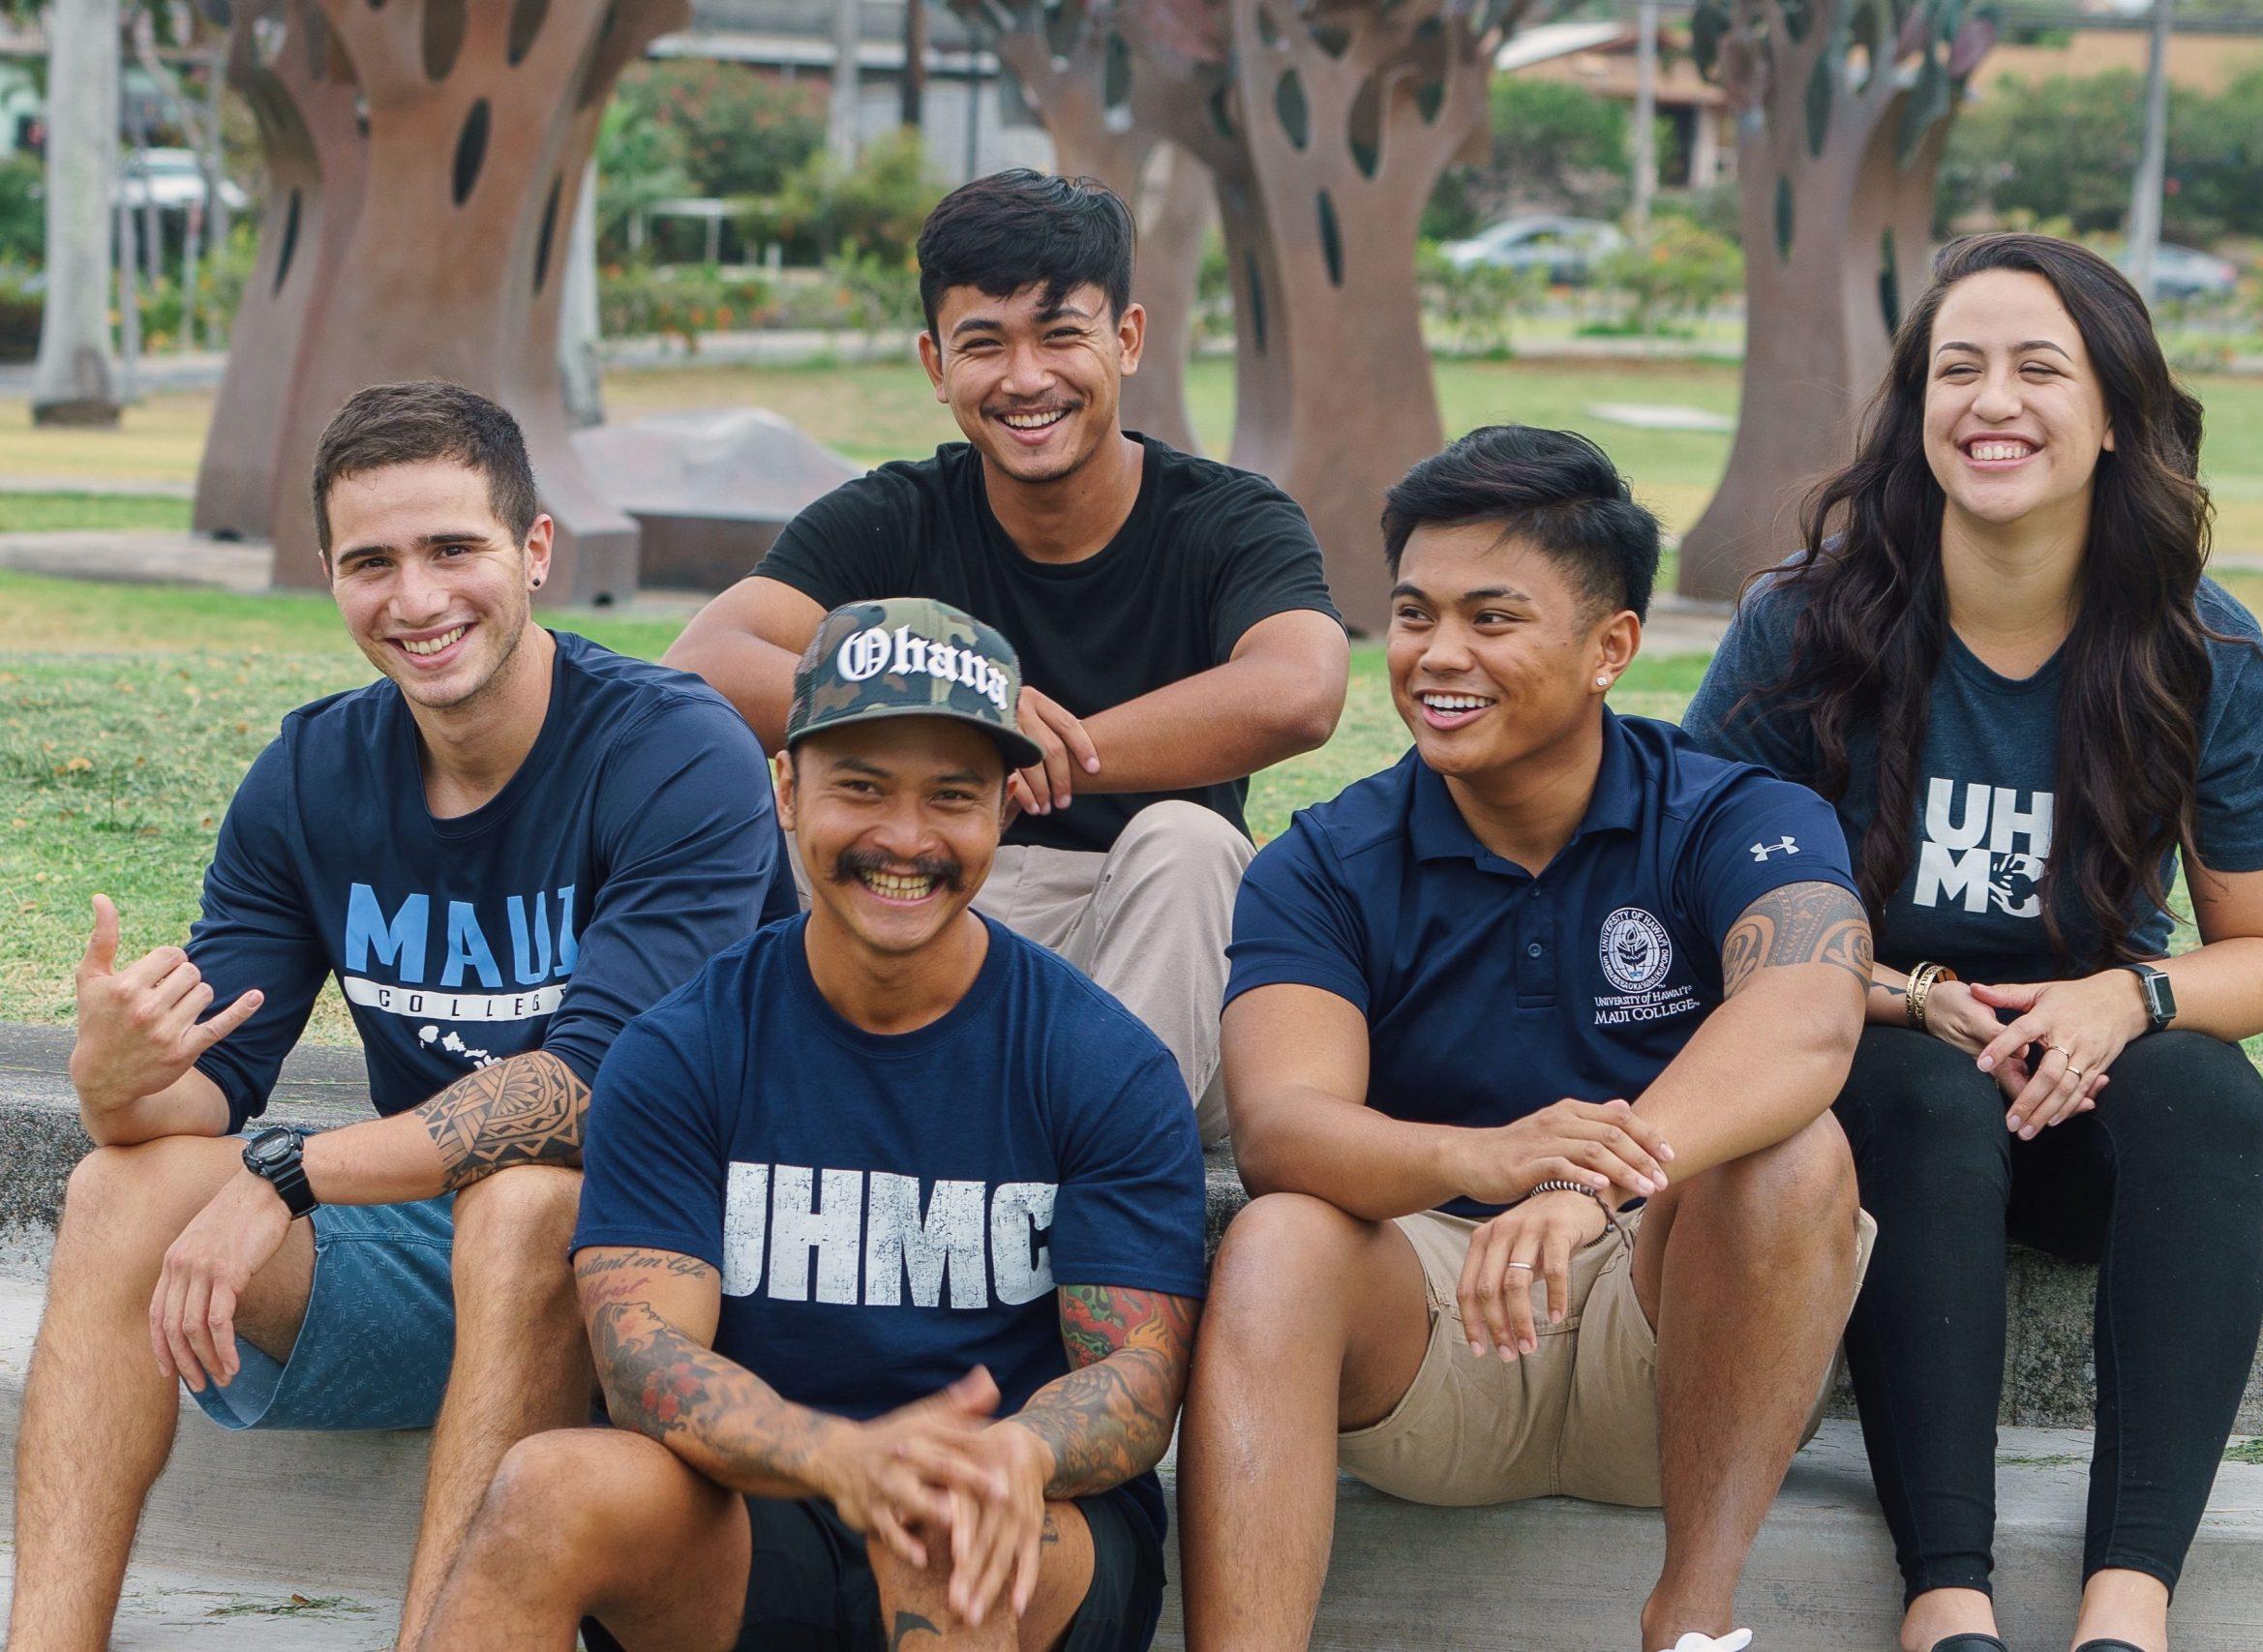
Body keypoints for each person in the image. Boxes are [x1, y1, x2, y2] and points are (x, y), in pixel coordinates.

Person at [10, 381, 796, 1652]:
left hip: (676, 1268)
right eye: (372, 561)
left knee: (529, 1191)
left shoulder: (672, 751)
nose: (416, 598)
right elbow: (213, 1086)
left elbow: (590, 1087)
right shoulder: (312, 772)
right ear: (329, 576)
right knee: (118, 1189)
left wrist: (292, 1170)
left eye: (452, 549)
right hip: (446, 1250)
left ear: (535, 551)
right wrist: (115, 1076)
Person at [1684, 233, 2263, 1652]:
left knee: (2210, 1092)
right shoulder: (1807, 625)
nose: (1996, 400)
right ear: (1916, 407)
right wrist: (1907, 997)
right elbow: (1687, 901)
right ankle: (1947, 1599)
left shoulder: (2201, 649)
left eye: (2043, 367)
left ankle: (2127, 1601)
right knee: (1914, 1092)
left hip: (2073, 1095)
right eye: (1958, 366)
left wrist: (2127, 996)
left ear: (2114, 414)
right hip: (1872, 1081)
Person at [1177, 426, 1878, 1652]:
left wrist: (1584, 1179)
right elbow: (1285, 1130)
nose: (1439, 656)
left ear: (1610, 646)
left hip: (1674, 1345)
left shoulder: (1739, 815)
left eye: (1492, 619)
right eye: (1411, 614)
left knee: (1792, 1155)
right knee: (1279, 1239)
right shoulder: (1324, 863)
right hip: (1433, 1335)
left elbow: (1809, 1022)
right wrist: (1485, 1160)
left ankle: (1691, 1621)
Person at [414, 598, 1209, 1652]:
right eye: (863, 788)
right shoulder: (684, 1046)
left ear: (1004, 812)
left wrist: (1010, 1455)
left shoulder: (1097, 1059)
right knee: (546, 1485)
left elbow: (1137, 1381)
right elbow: (644, 1362)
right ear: (787, 790)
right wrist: (841, 1457)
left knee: (946, 1527)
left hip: (1025, 1524)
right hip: (755, 1506)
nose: (905, 838)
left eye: (952, 797)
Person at [662, 169, 1349, 1143]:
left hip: (1138, 948)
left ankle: (1098, 1161)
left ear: (1129, 340)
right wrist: (958, 713)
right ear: (935, 364)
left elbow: (1300, 689)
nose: (1026, 379)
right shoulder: (893, 514)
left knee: (1193, 847)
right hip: (924, 898)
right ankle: (751, 1106)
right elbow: (703, 664)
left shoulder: (1226, 519)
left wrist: (1046, 751)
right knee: (760, 812)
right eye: (984, 344)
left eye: (1061, 335)